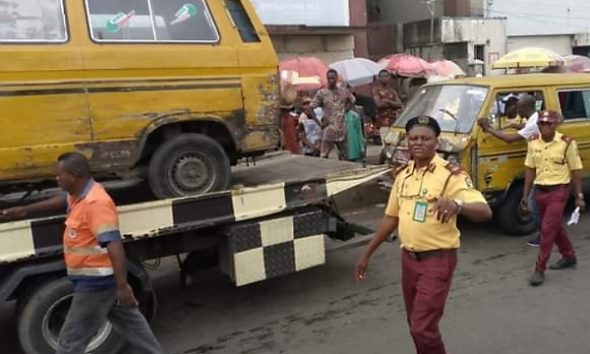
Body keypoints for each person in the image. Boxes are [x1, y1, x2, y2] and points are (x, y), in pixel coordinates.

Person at [0, 153, 162, 354]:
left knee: (69, 342)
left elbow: (114, 244)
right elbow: (62, 201)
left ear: (74, 175)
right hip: (98, 281)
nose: (56, 178)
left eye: (60, 175)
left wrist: (122, 286)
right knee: (134, 326)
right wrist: (24, 210)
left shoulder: (96, 203)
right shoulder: (80, 195)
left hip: (96, 284)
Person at [355, 116, 492, 354]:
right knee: (415, 325)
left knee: (422, 328)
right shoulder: (404, 175)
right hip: (408, 261)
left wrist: (458, 205)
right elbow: (391, 218)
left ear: (436, 141)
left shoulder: (451, 175)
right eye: (413, 138)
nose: (418, 143)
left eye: (425, 138)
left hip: (437, 261)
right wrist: (367, 253)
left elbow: (485, 211)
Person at [521, 110, 584, 286]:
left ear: (555, 125)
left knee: (547, 231)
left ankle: (539, 269)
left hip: (559, 191)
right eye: (541, 123)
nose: (544, 127)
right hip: (539, 191)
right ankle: (569, 256)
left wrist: (579, 195)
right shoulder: (533, 142)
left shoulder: (567, 143)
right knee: (553, 227)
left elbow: (576, 170)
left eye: (548, 124)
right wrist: (525, 195)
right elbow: (530, 169)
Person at [478, 94, 542, 246]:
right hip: (535, 161)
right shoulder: (533, 119)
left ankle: (545, 234)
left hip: (540, 164)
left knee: (533, 204)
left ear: (525, 108)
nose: (514, 109)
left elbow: (509, 139)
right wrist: (520, 127)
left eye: (517, 106)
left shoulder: (534, 123)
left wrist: (489, 129)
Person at [311, 69, 355, 159]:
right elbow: (310, 107)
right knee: (323, 155)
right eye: (329, 78)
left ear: (337, 78)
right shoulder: (322, 93)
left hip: (342, 129)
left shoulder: (343, 91)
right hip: (329, 129)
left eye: (333, 78)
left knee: (345, 155)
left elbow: (352, 100)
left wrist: (346, 109)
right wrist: (318, 122)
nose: (331, 80)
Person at [344, 97, 365, 162]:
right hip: (343, 147)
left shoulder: (354, 116)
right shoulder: (338, 116)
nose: (345, 106)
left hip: (354, 146)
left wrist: (362, 147)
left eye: (347, 104)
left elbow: (359, 132)